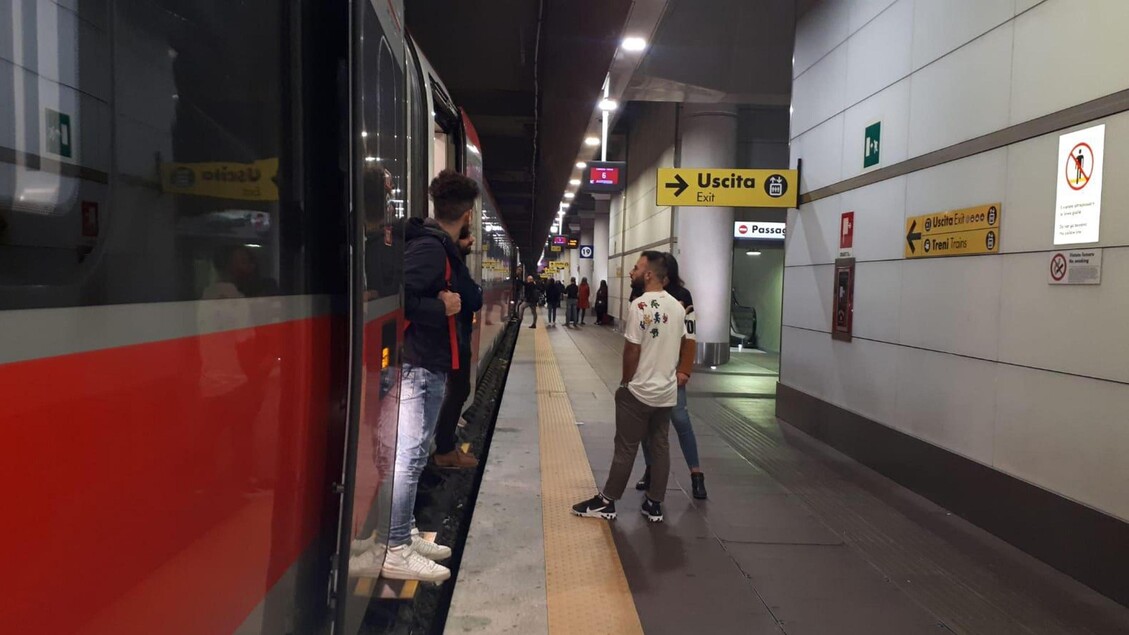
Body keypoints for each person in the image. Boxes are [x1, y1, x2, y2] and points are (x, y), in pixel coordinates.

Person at [382, 169, 478, 583]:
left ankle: (404, 535)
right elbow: (398, 294)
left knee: (415, 455)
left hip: (427, 363)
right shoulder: (429, 247)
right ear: (469, 214)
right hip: (419, 365)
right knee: (407, 459)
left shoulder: (439, 244)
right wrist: (442, 308)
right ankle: (397, 548)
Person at [572, 252, 689, 523]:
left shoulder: (639, 306)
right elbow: (684, 344)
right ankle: (654, 504)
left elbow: (631, 351)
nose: (631, 272)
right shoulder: (677, 307)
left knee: (625, 447)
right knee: (660, 446)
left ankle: (607, 501)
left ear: (648, 275)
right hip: (666, 392)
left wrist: (626, 382)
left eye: (636, 268)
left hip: (639, 392)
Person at [635, 254, 707, 499]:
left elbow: (690, 336)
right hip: (646, 371)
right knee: (647, 425)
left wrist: (685, 369)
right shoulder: (641, 295)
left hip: (672, 371)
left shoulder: (682, 298)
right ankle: (651, 470)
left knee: (681, 421)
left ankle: (696, 474)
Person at [432, 223, 482, 470]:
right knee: (458, 390)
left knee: (456, 390)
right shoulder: (453, 261)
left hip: (452, 338)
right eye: (467, 236)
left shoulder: (446, 257)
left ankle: (444, 445)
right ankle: (444, 449)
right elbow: (474, 299)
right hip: (453, 339)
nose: (472, 240)